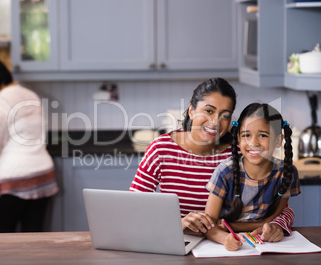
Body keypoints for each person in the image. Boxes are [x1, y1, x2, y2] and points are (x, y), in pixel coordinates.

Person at [129, 78, 295, 241]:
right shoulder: (161, 149)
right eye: (209, 111)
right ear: (192, 110)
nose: (216, 122)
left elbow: (282, 209)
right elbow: (134, 208)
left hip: (231, 244)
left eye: (225, 115)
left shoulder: (240, 152)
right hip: (177, 240)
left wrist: (276, 225)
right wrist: (177, 224)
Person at [0, 56, 58, 233]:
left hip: (14, 178)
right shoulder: (31, 94)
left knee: (2, 242)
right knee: (33, 240)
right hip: (43, 174)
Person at [204, 103, 301, 251]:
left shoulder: (286, 172)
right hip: (227, 242)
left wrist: (233, 225)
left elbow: (271, 218)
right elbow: (209, 225)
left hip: (263, 243)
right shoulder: (225, 172)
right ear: (238, 138)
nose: (253, 142)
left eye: (262, 135)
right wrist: (225, 239)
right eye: (246, 135)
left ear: (278, 140)